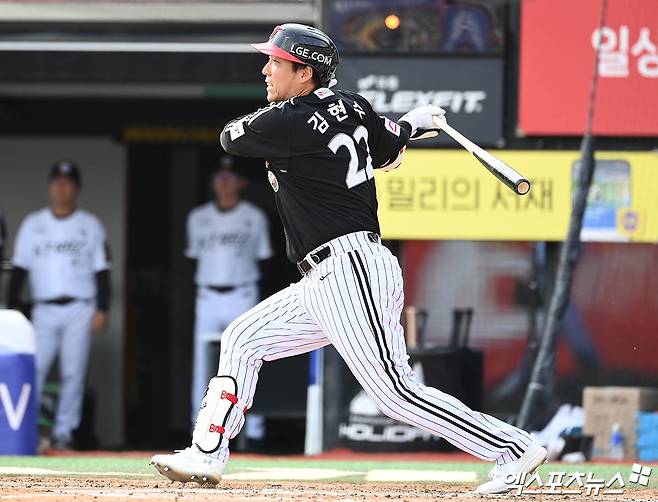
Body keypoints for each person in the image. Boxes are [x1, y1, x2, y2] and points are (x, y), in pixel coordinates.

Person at [151, 24, 546, 494]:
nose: (266, 69)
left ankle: (513, 448)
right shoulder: (356, 106)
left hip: (350, 267)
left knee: (395, 393)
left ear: (305, 72)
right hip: (325, 277)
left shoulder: (291, 119)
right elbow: (390, 145)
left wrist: (400, 131)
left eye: (276, 62)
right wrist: (414, 123)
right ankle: (207, 455)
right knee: (242, 339)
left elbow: (230, 138)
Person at [7, 161, 111, 450]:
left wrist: (103, 308)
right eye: (57, 182)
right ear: (50, 186)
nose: (61, 187)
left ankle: (64, 432)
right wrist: (13, 308)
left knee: (73, 372)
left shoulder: (89, 225)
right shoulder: (33, 224)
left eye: (67, 182)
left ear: (76, 188)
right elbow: (19, 271)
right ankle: (26, 429)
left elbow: (102, 270)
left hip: (80, 307)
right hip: (43, 309)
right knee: (34, 368)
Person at [186, 157, 272, 420]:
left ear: (241, 182)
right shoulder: (198, 217)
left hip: (243, 293)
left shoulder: (254, 217)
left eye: (229, 177)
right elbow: (192, 258)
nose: (223, 183)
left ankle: (252, 429)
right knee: (204, 363)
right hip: (207, 295)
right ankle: (198, 426)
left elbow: (265, 259)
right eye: (219, 177)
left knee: (248, 358)